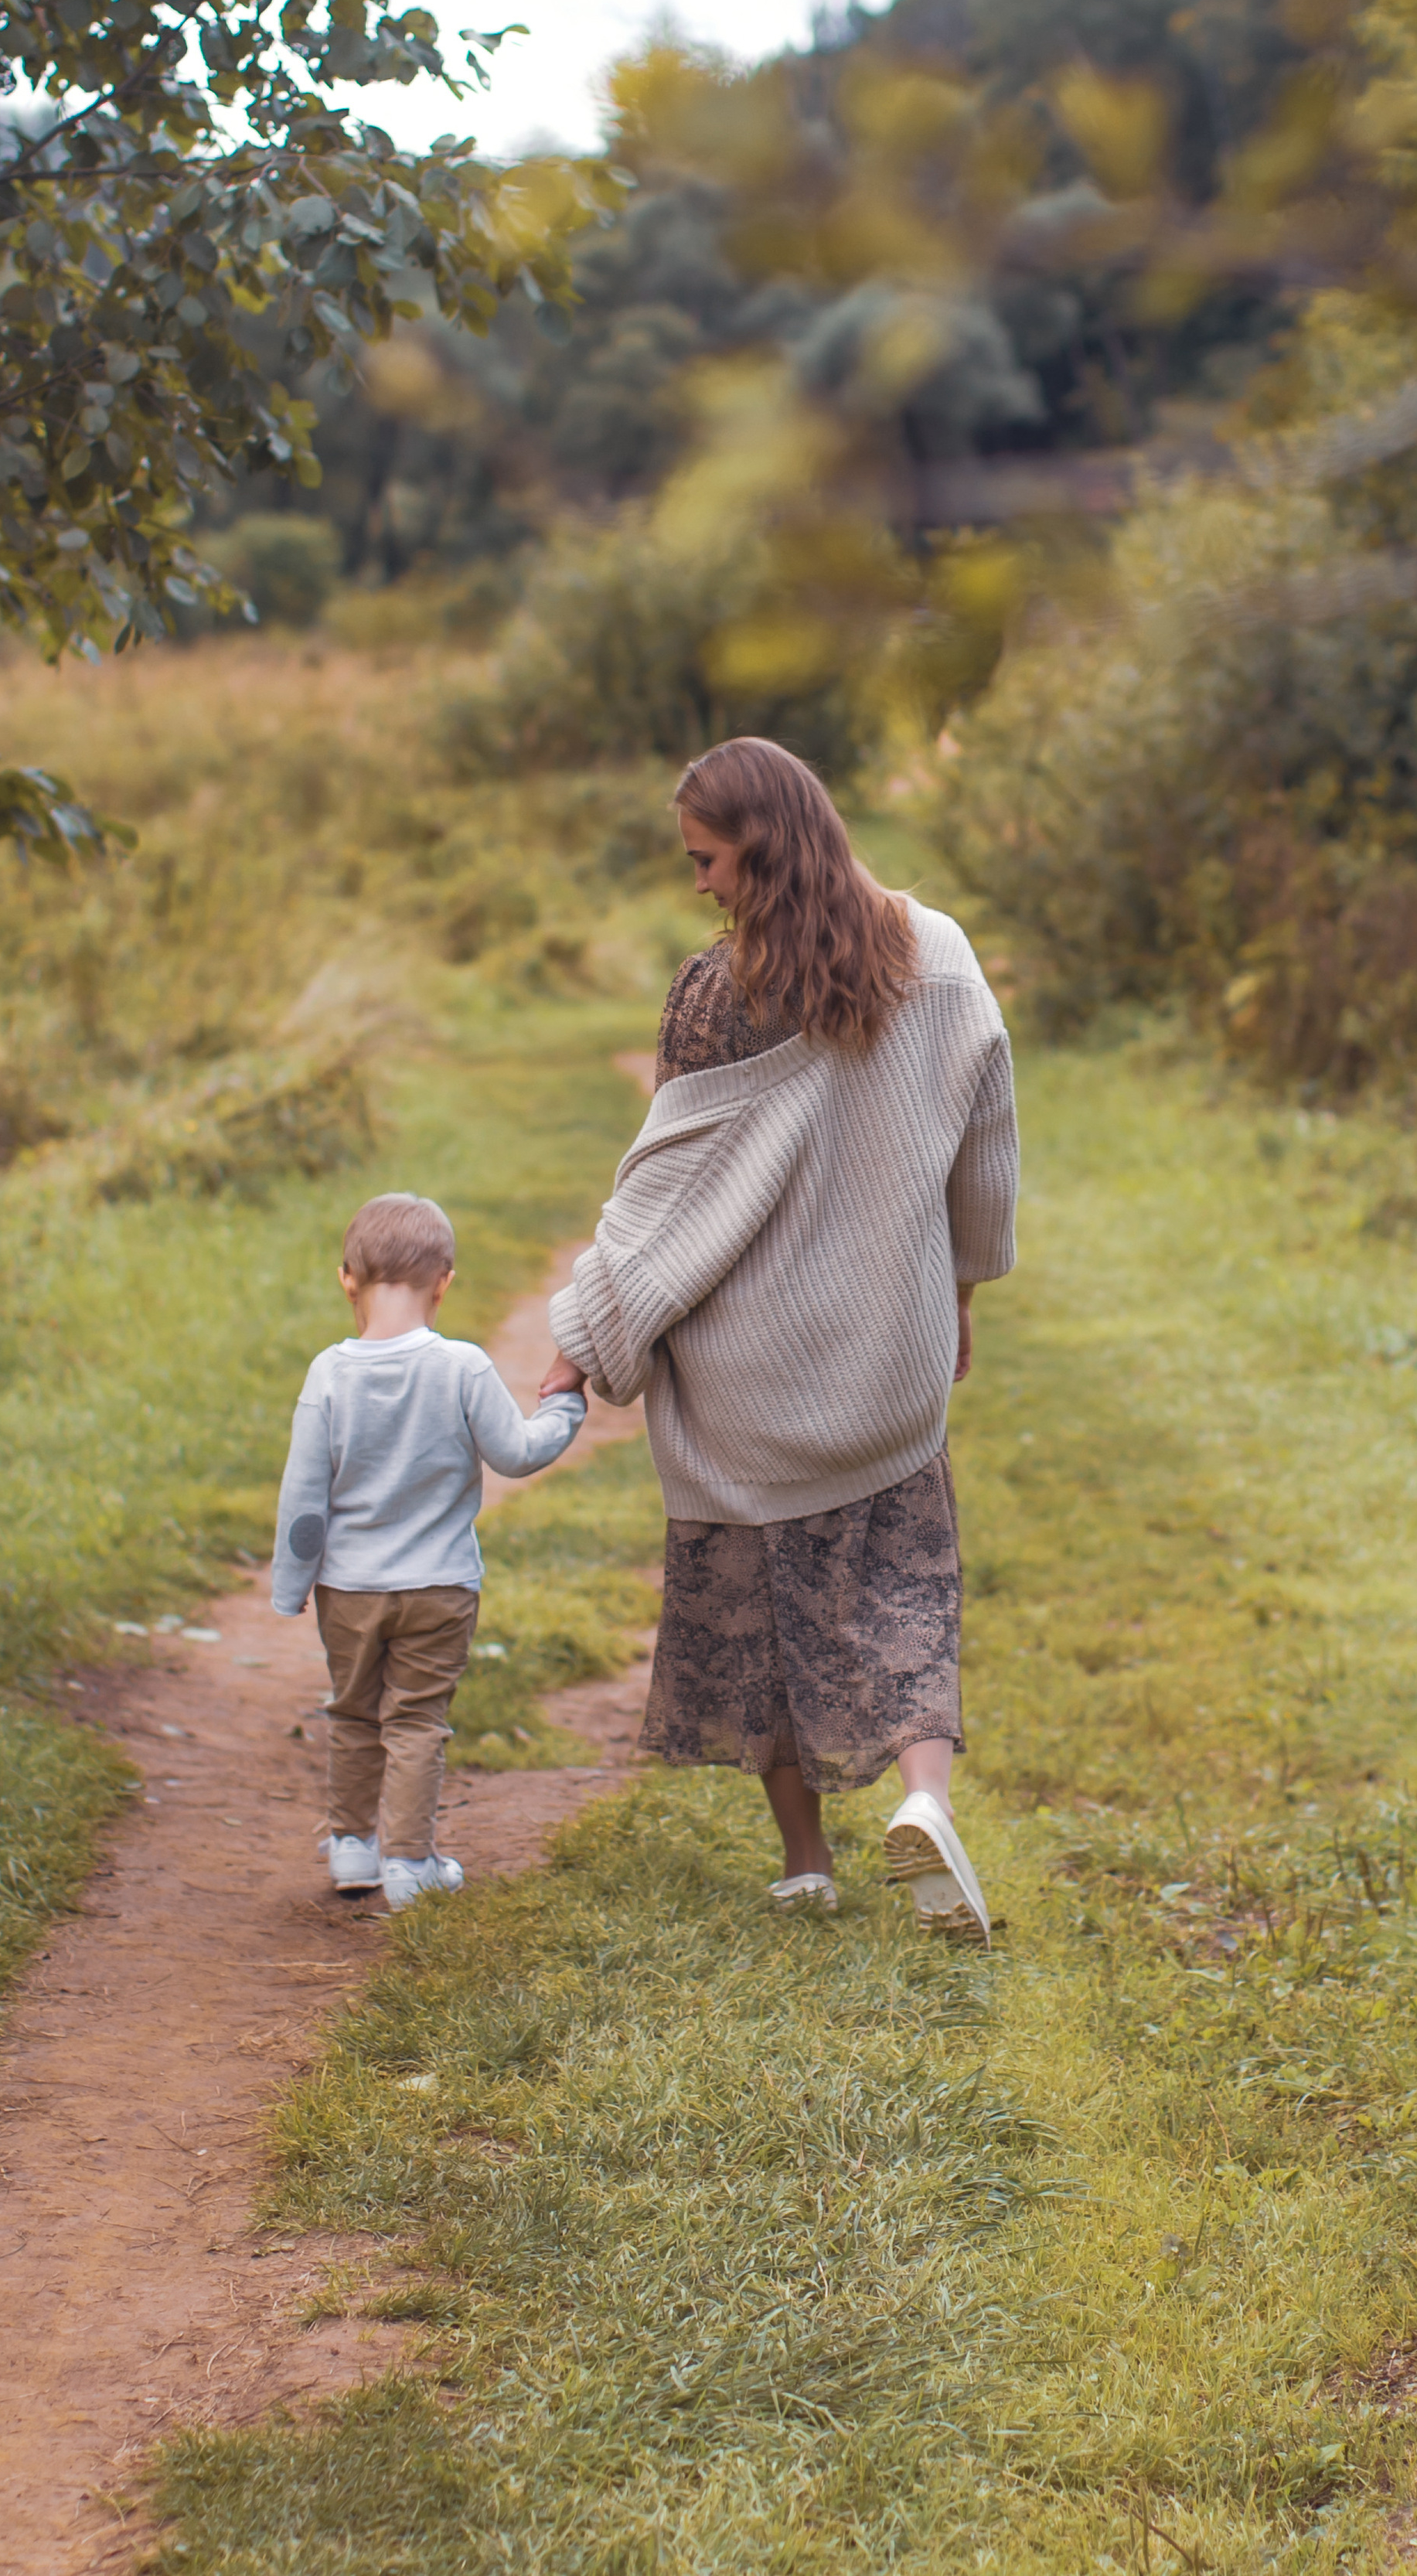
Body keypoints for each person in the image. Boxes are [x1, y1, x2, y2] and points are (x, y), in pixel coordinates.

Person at [540, 738, 1018, 1944]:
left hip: (749, 1379)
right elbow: (987, 1150)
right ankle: (924, 1803)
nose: (699, 884)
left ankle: (805, 1860)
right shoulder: (943, 956)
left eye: (705, 859)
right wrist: (961, 1288)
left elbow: (659, 1203)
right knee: (903, 1581)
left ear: (759, 841)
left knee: (762, 1608)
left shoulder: (718, 995)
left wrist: (586, 1337)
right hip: (885, 1355)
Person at [271, 1191, 585, 1910]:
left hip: (348, 1590)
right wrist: (565, 1406)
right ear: (445, 1281)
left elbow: (303, 1500)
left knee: (353, 1711)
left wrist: (292, 1588)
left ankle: (353, 1849)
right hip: (440, 1587)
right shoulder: (462, 1368)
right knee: (415, 1720)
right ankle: (410, 1864)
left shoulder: (328, 1374)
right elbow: (516, 1454)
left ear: (346, 1279)